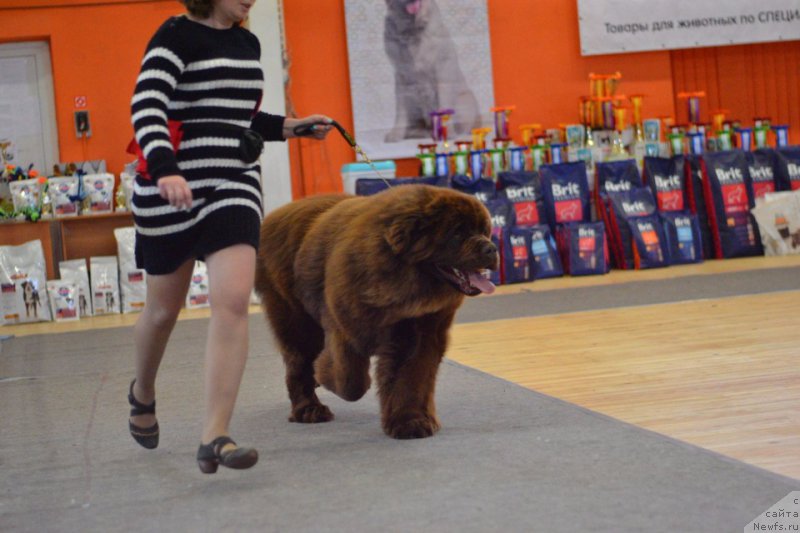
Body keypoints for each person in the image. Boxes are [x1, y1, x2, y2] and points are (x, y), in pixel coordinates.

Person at [127, 0, 331, 474]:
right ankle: (142, 392)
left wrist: (291, 128)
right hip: (170, 189)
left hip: (233, 181)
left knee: (234, 300)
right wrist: (165, 168)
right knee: (162, 312)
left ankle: (214, 434)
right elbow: (147, 107)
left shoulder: (246, 43)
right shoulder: (174, 36)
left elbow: (239, 118)